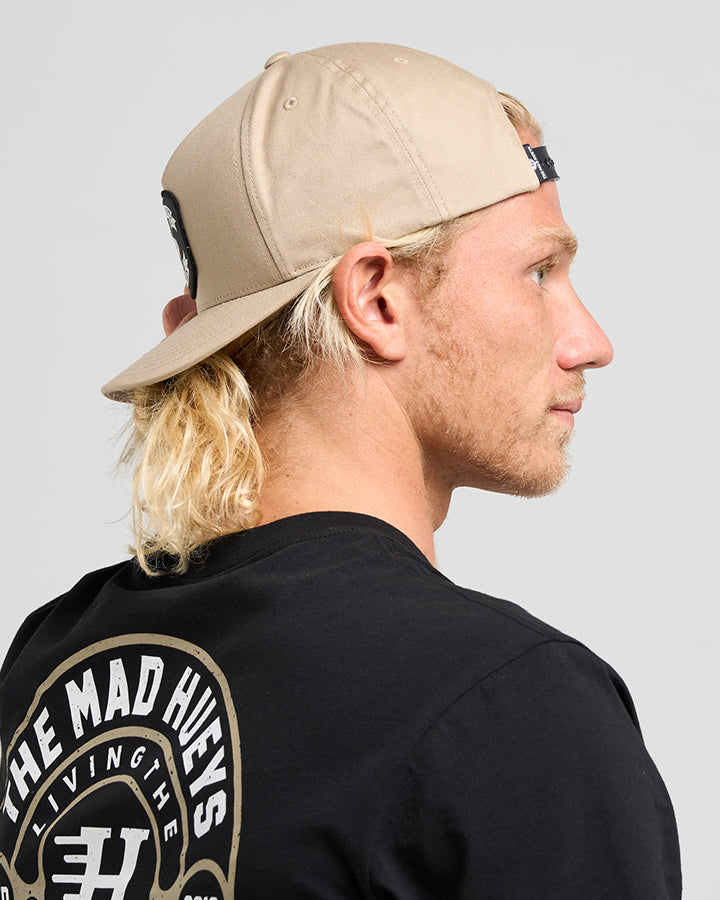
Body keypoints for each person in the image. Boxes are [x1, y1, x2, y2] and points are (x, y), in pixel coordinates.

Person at [0, 42, 681, 898]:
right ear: (376, 299)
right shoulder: (510, 705)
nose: (591, 341)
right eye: (539, 271)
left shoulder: (53, 660)